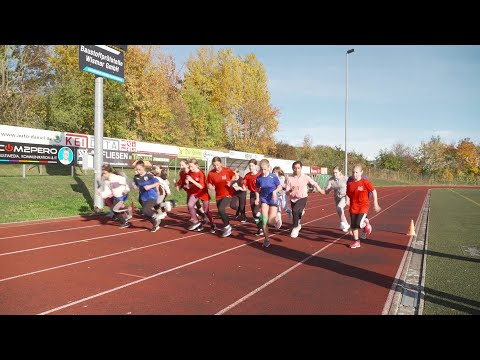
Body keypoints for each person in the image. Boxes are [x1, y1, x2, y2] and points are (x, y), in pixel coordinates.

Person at [285, 160, 324, 238]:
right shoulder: (290, 178)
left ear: (301, 168)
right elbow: (286, 191)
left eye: (298, 168)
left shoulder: (305, 177)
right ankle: (298, 224)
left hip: (302, 197)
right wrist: (291, 190)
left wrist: (319, 190)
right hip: (293, 199)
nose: (297, 170)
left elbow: (314, 183)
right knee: (295, 213)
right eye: (295, 168)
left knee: (296, 210)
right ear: (292, 169)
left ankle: (295, 227)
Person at [346, 163, 381, 249]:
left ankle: (366, 224)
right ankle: (356, 241)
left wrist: (375, 203)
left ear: (361, 172)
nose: (355, 174)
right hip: (353, 207)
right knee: (353, 226)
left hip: (363, 206)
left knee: (358, 224)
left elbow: (374, 191)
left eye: (357, 172)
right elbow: (348, 193)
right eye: (353, 172)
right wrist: (347, 199)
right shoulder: (350, 184)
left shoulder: (365, 182)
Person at [255, 159, 283, 248]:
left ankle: (277, 218)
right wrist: (257, 198)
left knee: (271, 221)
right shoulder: (259, 178)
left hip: (273, 199)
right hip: (264, 200)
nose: (263, 171)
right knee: (264, 220)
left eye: (265, 169)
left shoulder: (273, 177)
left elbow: (280, 187)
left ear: (268, 168)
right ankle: (266, 239)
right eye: (262, 169)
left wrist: (274, 191)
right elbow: (256, 189)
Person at [206, 156, 237, 237]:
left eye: (217, 165)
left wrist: (230, 182)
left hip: (228, 193)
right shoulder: (211, 173)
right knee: (220, 212)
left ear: (221, 163)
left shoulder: (227, 170)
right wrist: (209, 186)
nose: (216, 167)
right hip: (218, 195)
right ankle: (227, 225)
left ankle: (227, 226)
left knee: (221, 209)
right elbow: (209, 183)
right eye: (214, 165)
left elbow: (234, 176)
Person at [97, 164, 131, 229]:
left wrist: (127, 189)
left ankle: (127, 209)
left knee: (114, 209)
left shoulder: (116, 177)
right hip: (116, 197)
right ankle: (125, 223)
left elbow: (125, 182)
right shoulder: (107, 181)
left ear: (109, 172)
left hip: (122, 195)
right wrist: (101, 194)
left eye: (105, 173)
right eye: (103, 174)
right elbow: (108, 191)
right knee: (114, 210)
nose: (104, 175)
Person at [132, 160, 162, 232]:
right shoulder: (136, 177)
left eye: (139, 169)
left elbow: (157, 182)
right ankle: (155, 224)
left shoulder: (149, 176)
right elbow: (135, 184)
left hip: (152, 196)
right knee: (146, 213)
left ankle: (157, 215)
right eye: (137, 169)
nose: (138, 171)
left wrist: (150, 186)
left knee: (146, 210)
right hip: (143, 197)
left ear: (143, 168)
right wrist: (134, 186)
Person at [185, 159, 214, 232]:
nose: (190, 169)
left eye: (192, 167)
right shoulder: (190, 172)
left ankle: (212, 224)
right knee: (190, 205)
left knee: (206, 211)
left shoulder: (201, 173)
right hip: (195, 192)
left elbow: (201, 186)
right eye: (189, 167)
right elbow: (191, 183)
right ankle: (196, 222)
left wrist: (192, 181)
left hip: (203, 193)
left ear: (196, 165)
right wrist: (188, 185)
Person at [324, 166, 350, 232]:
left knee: (339, 207)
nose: (334, 174)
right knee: (339, 211)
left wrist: (348, 198)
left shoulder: (345, 179)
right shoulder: (331, 180)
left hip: (344, 196)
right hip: (336, 197)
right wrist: (327, 190)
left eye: (336, 172)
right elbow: (327, 190)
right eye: (333, 173)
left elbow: (350, 188)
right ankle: (346, 224)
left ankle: (344, 224)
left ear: (340, 172)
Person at [241, 159, 262, 235]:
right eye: (249, 166)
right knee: (254, 213)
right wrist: (241, 186)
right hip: (252, 194)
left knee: (256, 212)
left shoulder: (260, 175)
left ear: (256, 166)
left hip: (260, 194)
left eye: (252, 166)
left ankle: (263, 219)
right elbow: (244, 185)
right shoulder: (247, 175)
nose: (250, 167)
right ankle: (260, 228)